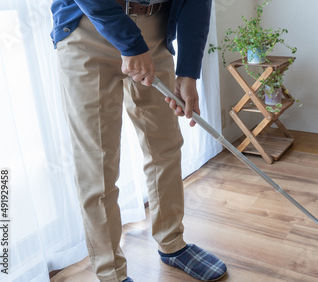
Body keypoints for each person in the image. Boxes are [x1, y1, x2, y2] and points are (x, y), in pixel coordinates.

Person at [50, 0, 227, 281]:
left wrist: (189, 70)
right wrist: (131, 45)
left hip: (155, 30)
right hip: (88, 29)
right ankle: (112, 274)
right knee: (97, 162)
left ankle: (172, 244)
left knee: (165, 147)